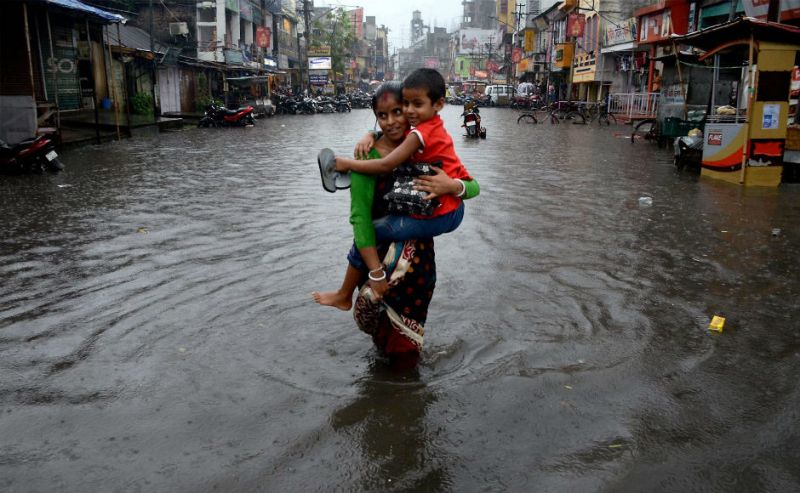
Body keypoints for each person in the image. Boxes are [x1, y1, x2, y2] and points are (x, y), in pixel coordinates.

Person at [312, 79, 479, 311]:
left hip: (419, 266)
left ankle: (344, 294)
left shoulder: (422, 148)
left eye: (398, 112)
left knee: (411, 331)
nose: (390, 122)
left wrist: (451, 185)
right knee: (384, 330)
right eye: (382, 116)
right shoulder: (366, 158)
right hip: (380, 265)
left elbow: (473, 187)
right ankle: (344, 295)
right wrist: (376, 273)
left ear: (409, 111)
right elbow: (360, 219)